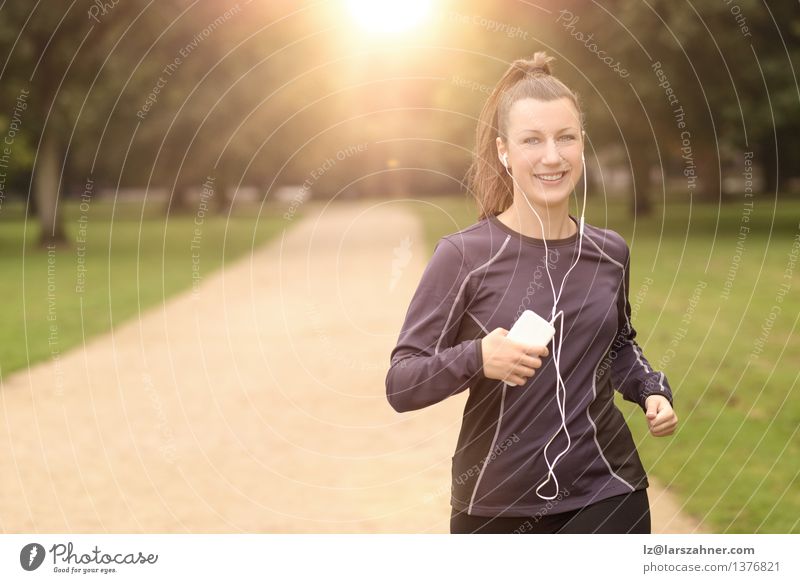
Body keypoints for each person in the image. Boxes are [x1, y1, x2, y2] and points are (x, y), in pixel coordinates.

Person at [384, 51, 678, 534]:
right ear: (504, 151)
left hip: (610, 490)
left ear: (581, 145)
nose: (551, 156)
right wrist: (478, 357)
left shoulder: (610, 252)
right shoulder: (464, 256)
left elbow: (620, 343)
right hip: (495, 505)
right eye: (532, 140)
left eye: (565, 138)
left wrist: (650, 390)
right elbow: (402, 383)